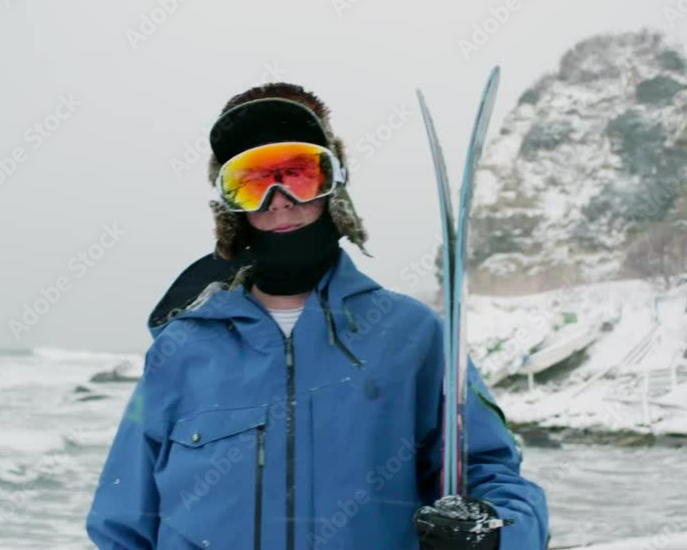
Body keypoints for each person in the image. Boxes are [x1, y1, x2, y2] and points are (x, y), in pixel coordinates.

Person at [86, 82, 549, 549]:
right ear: (231, 208)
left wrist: (494, 532)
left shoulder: (412, 336)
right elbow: (121, 521)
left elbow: (491, 473)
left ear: (334, 186)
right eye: (252, 182)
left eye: (299, 174)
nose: (279, 199)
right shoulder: (181, 350)